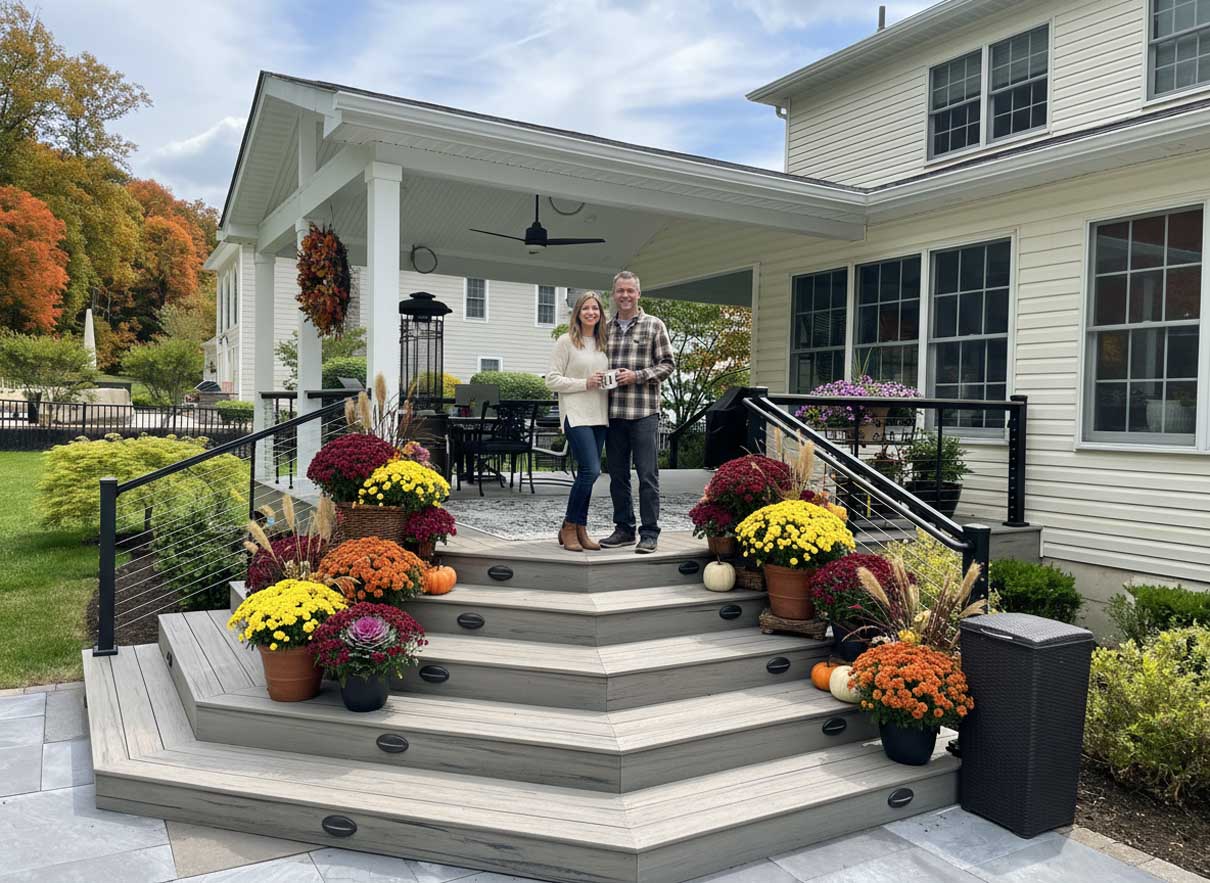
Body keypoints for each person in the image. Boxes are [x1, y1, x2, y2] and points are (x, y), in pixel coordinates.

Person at [599, 271, 675, 553]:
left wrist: (638, 375)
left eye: (630, 290)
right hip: (613, 412)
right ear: (614, 294)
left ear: (638, 294)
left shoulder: (654, 326)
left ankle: (650, 532)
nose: (625, 295)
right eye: (620, 291)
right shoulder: (604, 329)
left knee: (647, 475)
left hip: (644, 412)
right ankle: (624, 529)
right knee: (617, 476)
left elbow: (667, 364)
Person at [545, 291, 610, 552]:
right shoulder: (566, 342)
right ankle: (569, 526)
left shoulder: (603, 342)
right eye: (586, 308)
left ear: (600, 313)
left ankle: (580, 529)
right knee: (590, 470)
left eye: (595, 308)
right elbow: (551, 380)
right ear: (578, 313)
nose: (591, 312)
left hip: (600, 415)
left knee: (590, 474)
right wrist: (585, 383)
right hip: (576, 413)